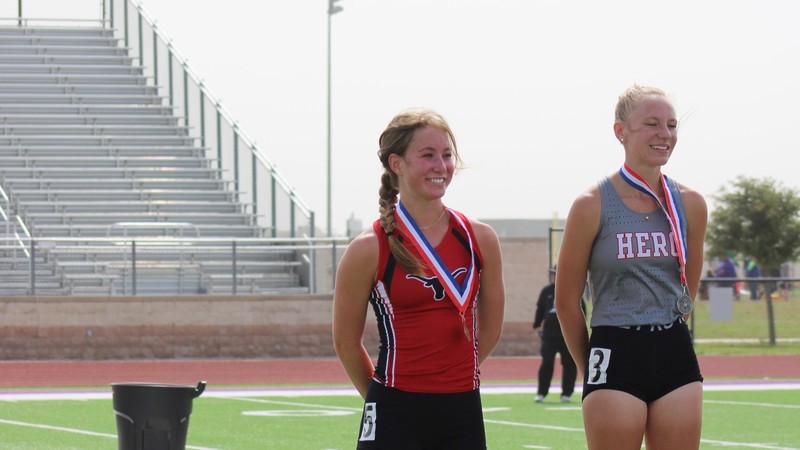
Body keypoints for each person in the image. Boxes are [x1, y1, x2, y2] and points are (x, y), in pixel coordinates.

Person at [332, 109, 505, 449]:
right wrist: (385, 398)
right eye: (428, 156)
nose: (441, 166)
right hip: (395, 407)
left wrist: (448, 376)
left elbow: (492, 329)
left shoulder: (480, 239)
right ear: (397, 164)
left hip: (462, 408)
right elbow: (346, 343)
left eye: (446, 155)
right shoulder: (369, 248)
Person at [555, 84, 707, 450]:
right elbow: (566, 302)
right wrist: (589, 365)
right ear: (620, 132)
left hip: (674, 349)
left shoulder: (691, 203)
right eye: (652, 124)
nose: (665, 134)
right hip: (614, 349)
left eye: (671, 125)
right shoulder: (591, 204)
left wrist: (666, 334)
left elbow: (689, 288)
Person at [532, 266, 578, 403]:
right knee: (547, 362)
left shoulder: (573, 290)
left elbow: (581, 310)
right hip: (549, 335)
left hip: (567, 335)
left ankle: (567, 393)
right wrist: (536, 325)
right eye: (553, 274)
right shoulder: (546, 291)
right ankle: (541, 392)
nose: (555, 277)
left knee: (569, 363)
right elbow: (540, 310)